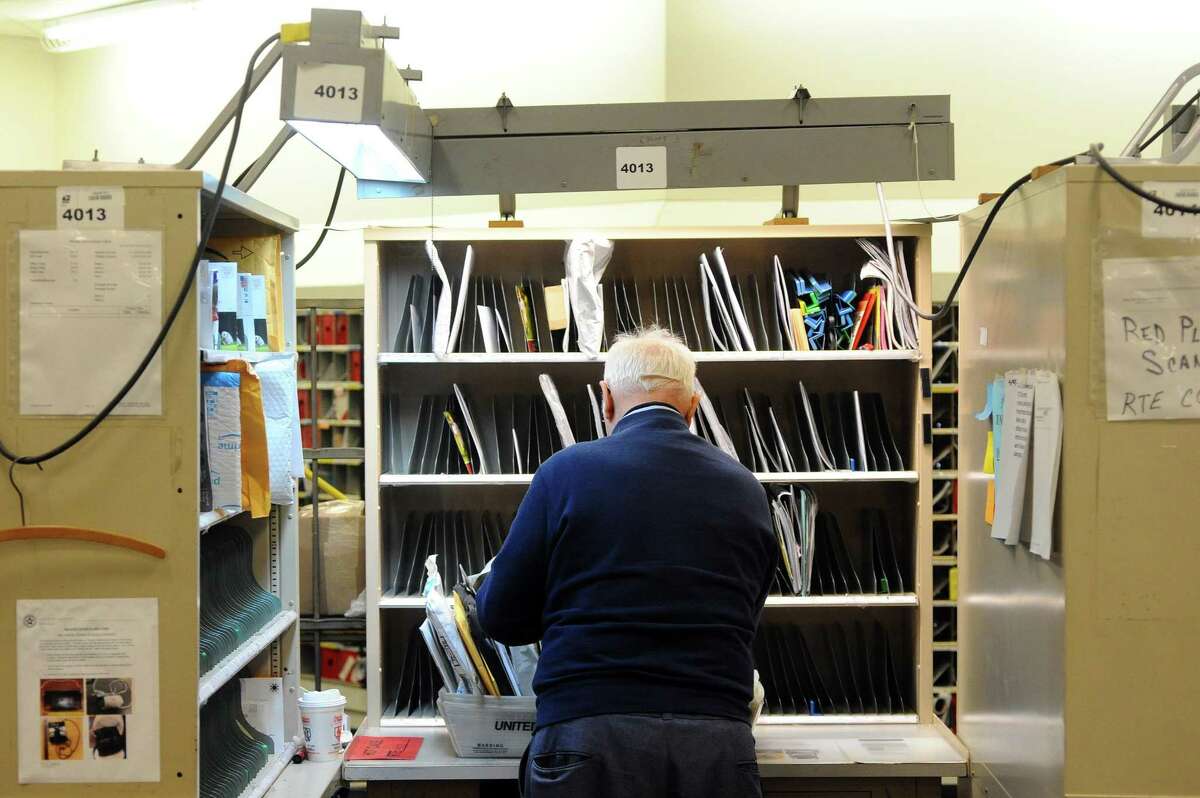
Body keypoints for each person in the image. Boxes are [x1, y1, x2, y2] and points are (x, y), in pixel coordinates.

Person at [476, 327, 778, 798]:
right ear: (693, 406)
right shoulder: (746, 488)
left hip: (587, 734)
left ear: (607, 399)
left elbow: (499, 616)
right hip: (716, 741)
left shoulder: (565, 473)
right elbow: (746, 613)